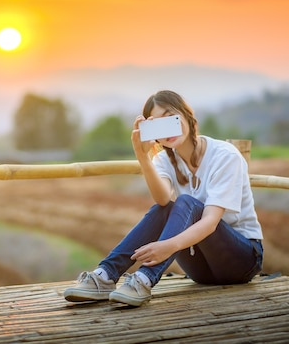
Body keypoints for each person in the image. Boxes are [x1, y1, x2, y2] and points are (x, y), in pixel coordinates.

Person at [64, 90, 264, 307]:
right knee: (166, 207)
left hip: (241, 261)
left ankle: (143, 279)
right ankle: (105, 275)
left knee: (186, 202)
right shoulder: (163, 159)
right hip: (202, 270)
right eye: (157, 124)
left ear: (186, 115)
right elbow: (161, 200)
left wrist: (168, 246)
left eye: (170, 117)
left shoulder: (225, 155)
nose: (167, 127)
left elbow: (210, 222)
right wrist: (142, 156)